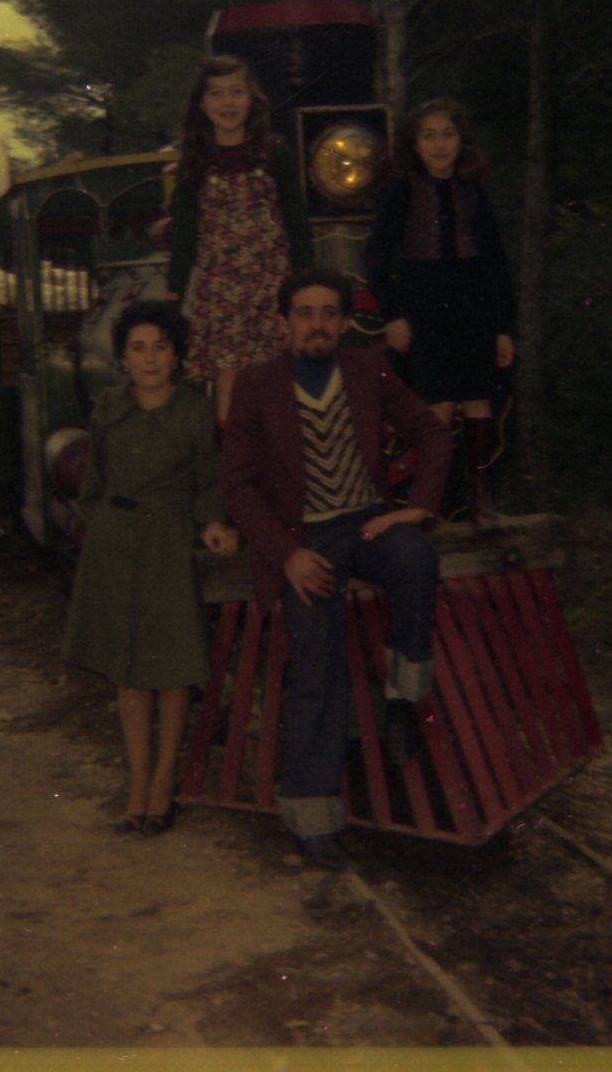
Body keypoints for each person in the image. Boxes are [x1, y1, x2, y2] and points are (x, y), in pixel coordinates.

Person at [219, 268, 452, 871]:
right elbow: (237, 485)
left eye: (328, 313)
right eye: (304, 313)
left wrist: (417, 507)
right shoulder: (256, 384)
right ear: (283, 323)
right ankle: (313, 817)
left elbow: (431, 431)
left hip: (367, 524)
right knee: (316, 664)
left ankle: (402, 700)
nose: (317, 324)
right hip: (306, 541)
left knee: (415, 557)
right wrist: (287, 555)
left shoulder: (367, 369)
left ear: (344, 322)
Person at [62, 301, 238, 837]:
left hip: (168, 544)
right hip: (115, 548)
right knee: (129, 670)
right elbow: (93, 484)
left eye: (161, 347)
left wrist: (212, 522)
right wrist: (100, 529)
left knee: (171, 667)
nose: (150, 359)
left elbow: (208, 483)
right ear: (123, 357)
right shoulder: (109, 407)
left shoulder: (194, 411)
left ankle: (164, 784)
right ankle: (137, 784)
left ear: (177, 355)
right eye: (138, 348)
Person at [363, 97, 516, 526]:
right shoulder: (403, 191)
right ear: (414, 143)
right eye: (429, 136)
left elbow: (496, 264)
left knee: (478, 401)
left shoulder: (474, 192)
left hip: (474, 308)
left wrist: (503, 327)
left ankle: (481, 499)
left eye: (448, 135)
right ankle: (430, 501)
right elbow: (376, 256)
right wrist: (393, 314)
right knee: (438, 405)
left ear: (462, 141)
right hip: (425, 309)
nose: (439, 144)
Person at [164, 54, 313, 425]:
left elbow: (297, 224)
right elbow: (184, 233)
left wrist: (303, 286)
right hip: (221, 291)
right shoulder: (193, 162)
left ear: (251, 99)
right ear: (202, 104)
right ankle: (233, 455)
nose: (227, 103)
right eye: (216, 94)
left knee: (276, 376)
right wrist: (174, 292)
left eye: (236, 92)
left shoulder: (275, 153)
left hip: (270, 285)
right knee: (229, 380)